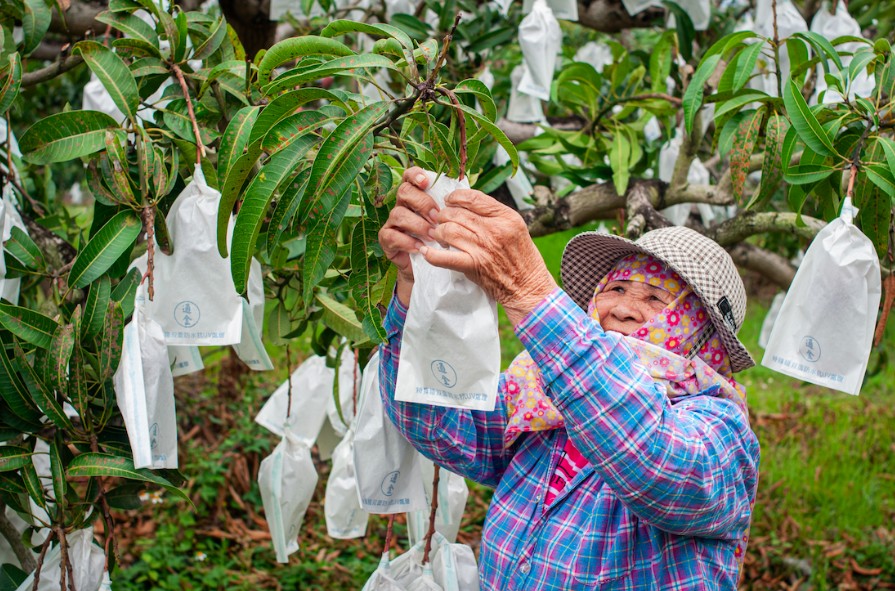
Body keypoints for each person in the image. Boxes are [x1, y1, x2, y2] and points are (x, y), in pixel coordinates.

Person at [377, 167, 760, 590]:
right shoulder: (542, 395)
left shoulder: (720, 431)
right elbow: (441, 425)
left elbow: (652, 460)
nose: (623, 308)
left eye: (656, 298)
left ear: (702, 334)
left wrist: (528, 292)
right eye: (616, 289)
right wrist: (417, 290)